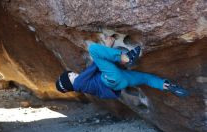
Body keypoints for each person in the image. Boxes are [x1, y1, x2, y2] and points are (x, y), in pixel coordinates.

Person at [56, 35, 189, 99]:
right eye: (69, 75)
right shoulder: (79, 82)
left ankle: (166, 85)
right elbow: (95, 66)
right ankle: (126, 58)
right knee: (93, 49)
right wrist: (107, 45)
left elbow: (98, 68)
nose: (73, 73)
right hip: (110, 78)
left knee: (145, 78)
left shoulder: (84, 87)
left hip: (118, 84)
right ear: (69, 83)